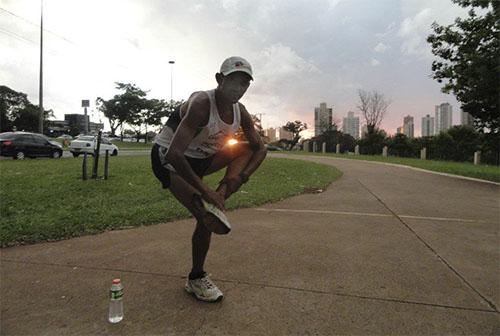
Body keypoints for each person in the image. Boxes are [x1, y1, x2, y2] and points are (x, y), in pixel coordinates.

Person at [151, 56, 267, 302]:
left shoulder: (240, 111)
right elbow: (174, 152)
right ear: (219, 79)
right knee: (206, 216)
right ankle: (196, 278)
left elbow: (260, 149)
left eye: (245, 84)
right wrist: (205, 191)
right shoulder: (202, 103)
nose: (239, 88)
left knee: (245, 148)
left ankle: (220, 195)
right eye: (234, 81)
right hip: (169, 159)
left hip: (201, 159)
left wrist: (238, 180)